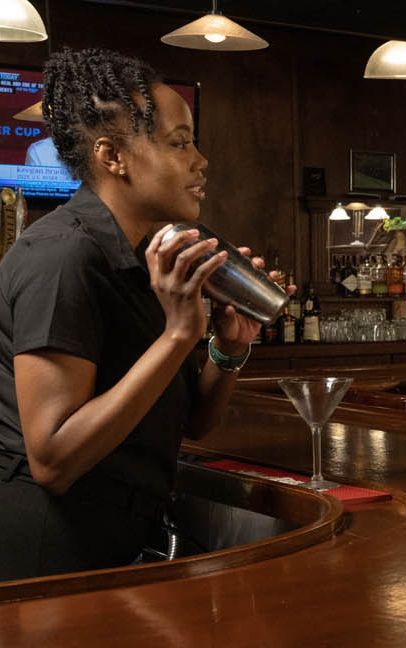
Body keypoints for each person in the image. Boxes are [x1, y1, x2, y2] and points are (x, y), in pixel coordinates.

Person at [0, 48, 282, 580]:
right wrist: (178, 334)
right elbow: (54, 461)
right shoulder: (61, 259)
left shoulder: (144, 257)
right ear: (112, 157)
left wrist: (229, 348)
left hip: (114, 544)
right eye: (179, 143)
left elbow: (193, 422)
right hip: (46, 558)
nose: (201, 161)